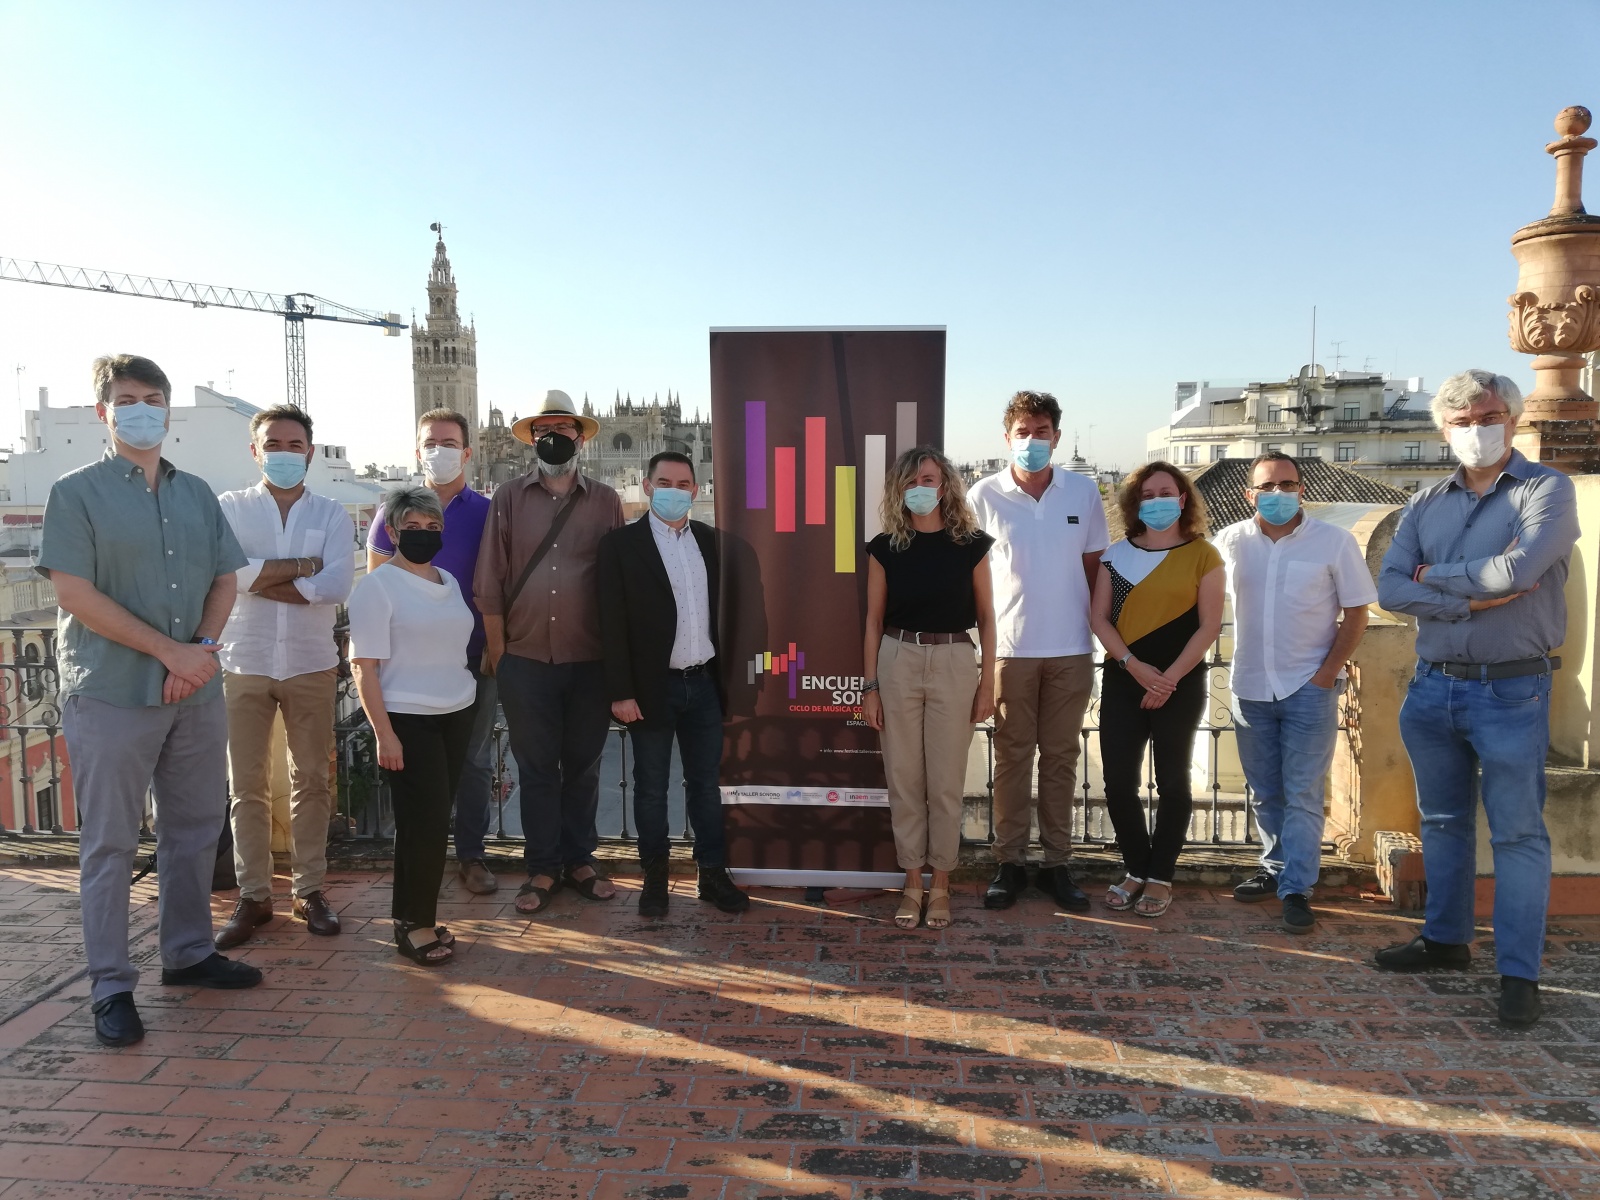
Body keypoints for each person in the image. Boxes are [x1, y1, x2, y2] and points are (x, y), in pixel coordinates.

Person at [39, 354, 261, 1048]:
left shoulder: (196, 493)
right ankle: (110, 986)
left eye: (154, 399)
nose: (142, 410)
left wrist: (200, 650)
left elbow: (225, 579)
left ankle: (188, 953)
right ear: (103, 412)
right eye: (128, 399)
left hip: (194, 692)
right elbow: (74, 593)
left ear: (168, 411)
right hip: (112, 692)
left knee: (194, 828)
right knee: (109, 843)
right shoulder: (75, 493)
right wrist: (171, 654)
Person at [1376, 369, 1579, 1027]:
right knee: (1441, 821)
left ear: (1512, 420)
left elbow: (1520, 571)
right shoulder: (1424, 503)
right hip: (1433, 686)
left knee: (1517, 833)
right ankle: (1445, 940)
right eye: (1461, 422)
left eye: (1488, 418)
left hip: (1512, 688)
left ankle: (1519, 974)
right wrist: (1467, 598)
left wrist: (1432, 578)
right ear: (1444, 429)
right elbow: (1389, 587)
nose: (1476, 431)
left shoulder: (1546, 490)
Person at [475, 389, 624, 916]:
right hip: (526, 659)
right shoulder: (508, 498)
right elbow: (489, 580)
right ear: (532, 439)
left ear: (580, 438)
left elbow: (618, 582)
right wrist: (503, 657)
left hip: (589, 660)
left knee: (583, 767)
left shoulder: (606, 501)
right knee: (536, 768)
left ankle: (580, 861)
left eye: (563, 429)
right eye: (544, 430)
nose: (553, 438)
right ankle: (542, 866)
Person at [1215, 452, 1375, 934]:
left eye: (1287, 484)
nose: (1278, 493)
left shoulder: (1334, 541)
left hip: (1309, 686)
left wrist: (1326, 675)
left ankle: (1298, 889)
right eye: (1268, 486)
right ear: (1250, 494)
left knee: (1303, 793)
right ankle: (1274, 868)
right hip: (1249, 687)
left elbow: (1357, 612)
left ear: (1301, 490)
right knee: (1266, 792)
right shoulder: (1230, 542)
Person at [213, 405, 355, 948]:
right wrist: (302, 566)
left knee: (312, 780)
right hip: (242, 661)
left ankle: (309, 890)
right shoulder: (229, 508)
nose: (285, 453)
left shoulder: (332, 514)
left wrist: (258, 577)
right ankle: (254, 897)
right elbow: (226, 574)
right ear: (255, 451)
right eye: (273, 444)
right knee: (245, 786)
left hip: (310, 662)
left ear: (310, 453)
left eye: (295, 445)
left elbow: (336, 586)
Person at [969, 390, 1108, 913]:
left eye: (1041, 431)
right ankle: (1009, 863)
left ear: (1057, 436)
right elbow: (974, 579)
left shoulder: (1083, 493)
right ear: (1007, 438)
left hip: (1071, 647)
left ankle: (1056, 865)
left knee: (1061, 759)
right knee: (1011, 759)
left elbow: (1095, 570)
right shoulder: (984, 495)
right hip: (1010, 650)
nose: (1032, 440)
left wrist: (1099, 636)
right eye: (1023, 432)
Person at [598, 451, 750, 919]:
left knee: (706, 786)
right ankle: (655, 879)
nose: (674, 491)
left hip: (702, 684)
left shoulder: (710, 542)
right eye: (664, 483)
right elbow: (610, 623)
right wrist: (621, 691)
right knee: (651, 789)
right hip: (651, 690)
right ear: (647, 487)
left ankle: (712, 874)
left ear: (695, 491)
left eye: (683, 484)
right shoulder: (620, 546)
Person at [862, 446, 996, 931]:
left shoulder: (971, 545)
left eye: (929, 480)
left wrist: (987, 684)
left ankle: (941, 883)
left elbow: (987, 618)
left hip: (955, 660)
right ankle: (912, 882)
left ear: (945, 486)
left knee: (945, 782)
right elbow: (873, 621)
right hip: (898, 658)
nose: (921, 488)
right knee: (903, 779)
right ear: (899, 488)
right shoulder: (885, 547)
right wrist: (870, 687)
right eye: (912, 481)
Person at [367, 409, 498, 896]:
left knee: (474, 763)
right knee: (414, 766)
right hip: (407, 667)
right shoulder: (391, 513)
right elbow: (377, 585)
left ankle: (471, 855)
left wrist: (496, 647)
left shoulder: (488, 512)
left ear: (467, 452)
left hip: (473, 661)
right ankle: (421, 859)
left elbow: (499, 585)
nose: (439, 451)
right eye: (430, 443)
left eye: (449, 443)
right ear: (417, 450)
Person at [348, 487, 477, 966]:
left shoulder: (449, 580)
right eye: (413, 527)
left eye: (432, 526)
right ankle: (414, 924)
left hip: (456, 711)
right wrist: (385, 734)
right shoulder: (376, 587)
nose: (424, 534)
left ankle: (414, 914)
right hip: (407, 719)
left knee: (431, 821)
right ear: (392, 531)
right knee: (424, 824)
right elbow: (363, 667)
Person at [1090, 462, 1224, 919]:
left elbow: (1209, 626)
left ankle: (1160, 876)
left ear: (1183, 499)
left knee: (1173, 782)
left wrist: (1167, 679)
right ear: (1135, 504)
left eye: (1166, 493)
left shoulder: (1204, 554)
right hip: (1123, 678)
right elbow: (1099, 619)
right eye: (1147, 495)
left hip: (1180, 683)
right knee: (1118, 782)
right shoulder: (1115, 555)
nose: (1157, 501)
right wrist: (1134, 666)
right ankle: (1135, 869)